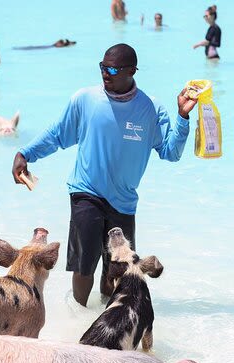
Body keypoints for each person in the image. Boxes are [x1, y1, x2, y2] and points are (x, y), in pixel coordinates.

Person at [11, 44, 198, 307]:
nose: (105, 73)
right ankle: (77, 316)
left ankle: (104, 319)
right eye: (102, 67)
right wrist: (25, 153)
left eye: (112, 69)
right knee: (83, 265)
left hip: (123, 201)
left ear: (132, 71)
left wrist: (182, 117)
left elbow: (171, 152)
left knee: (117, 270)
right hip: (86, 191)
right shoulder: (85, 99)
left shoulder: (151, 108)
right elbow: (57, 134)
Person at [12, 39, 77, 50]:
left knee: (31, 48)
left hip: (49, 46)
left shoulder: (53, 46)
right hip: (49, 47)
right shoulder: (53, 46)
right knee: (31, 48)